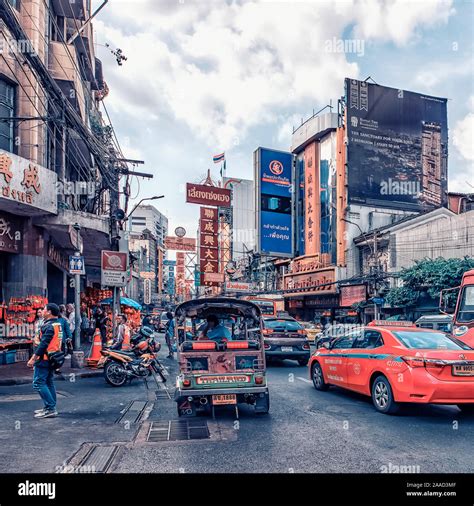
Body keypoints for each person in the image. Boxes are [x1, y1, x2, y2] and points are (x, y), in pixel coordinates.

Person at [27, 303, 63, 418]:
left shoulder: (48, 326)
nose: (42, 311)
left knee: (38, 383)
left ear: (49, 312)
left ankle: (51, 408)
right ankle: (50, 407)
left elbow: (43, 344)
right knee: (48, 382)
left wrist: (33, 358)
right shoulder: (57, 324)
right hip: (53, 358)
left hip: (44, 359)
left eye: (44, 309)